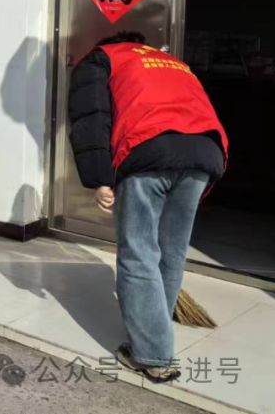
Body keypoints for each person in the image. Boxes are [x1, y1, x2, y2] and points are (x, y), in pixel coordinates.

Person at [68, 31, 228, 384]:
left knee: (138, 253)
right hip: (204, 153)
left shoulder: (103, 58)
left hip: (148, 151)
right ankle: (157, 325)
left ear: (110, 42)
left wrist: (99, 179)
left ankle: (153, 356)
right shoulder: (174, 63)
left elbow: (90, 118)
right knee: (171, 252)